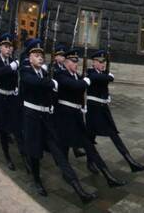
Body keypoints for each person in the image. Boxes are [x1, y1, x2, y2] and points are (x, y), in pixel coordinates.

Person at [19, 38, 96, 202]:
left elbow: (52, 93)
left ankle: (79, 190)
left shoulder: (45, 72)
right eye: (36, 54)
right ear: (29, 57)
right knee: (35, 153)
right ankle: (37, 180)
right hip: (32, 118)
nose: (40, 57)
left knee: (59, 153)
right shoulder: (25, 70)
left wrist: (52, 101)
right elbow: (33, 83)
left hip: (46, 119)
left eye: (41, 54)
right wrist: (50, 82)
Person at [54, 48, 126, 187]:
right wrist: (86, 80)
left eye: (77, 61)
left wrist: (83, 104)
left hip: (77, 117)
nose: (77, 64)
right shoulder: (60, 74)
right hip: (64, 118)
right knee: (63, 147)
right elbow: (76, 86)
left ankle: (109, 177)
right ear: (66, 62)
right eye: (74, 61)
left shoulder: (76, 75)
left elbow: (82, 91)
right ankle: (66, 173)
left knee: (89, 147)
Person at [86, 49, 144, 172]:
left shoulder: (103, 73)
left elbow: (106, 79)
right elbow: (102, 79)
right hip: (93, 109)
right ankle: (90, 161)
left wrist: (108, 76)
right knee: (90, 137)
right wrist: (109, 76)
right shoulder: (90, 73)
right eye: (100, 61)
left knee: (113, 134)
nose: (103, 64)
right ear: (93, 63)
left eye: (104, 62)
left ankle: (130, 161)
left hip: (104, 109)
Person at [0, 33, 27, 171]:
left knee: (17, 128)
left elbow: (15, 78)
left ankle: (24, 156)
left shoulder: (12, 60)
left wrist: (16, 88)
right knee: (3, 130)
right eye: (6, 46)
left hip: (11, 99)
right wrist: (11, 67)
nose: (9, 49)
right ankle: (7, 156)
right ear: (0, 47)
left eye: (10, 46)